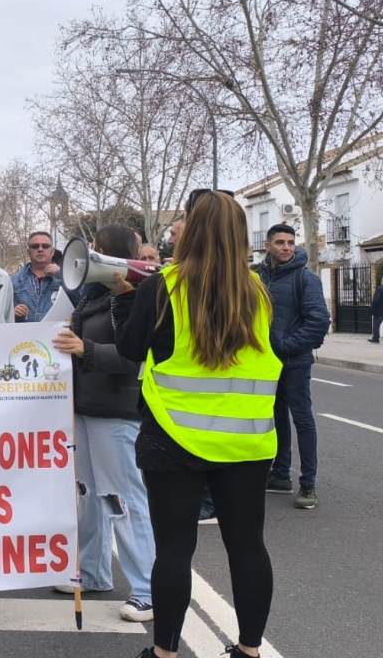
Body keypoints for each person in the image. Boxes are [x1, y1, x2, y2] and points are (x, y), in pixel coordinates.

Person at [115, 190, 282, 658]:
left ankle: (165, 652)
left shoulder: (164, 285)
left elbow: (131, 350)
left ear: (193, 229)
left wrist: (124, 300)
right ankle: (249, 650)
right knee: (248, 546)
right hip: (246, 443)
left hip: (172, 437)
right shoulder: (258, 293)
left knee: (174, 550)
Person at [50, 225, 154, 623]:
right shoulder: (94, 299)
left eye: (97, 251)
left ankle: (146, 588)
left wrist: (85, 348)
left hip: (116, 413)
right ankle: (92, 572)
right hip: (87, 409)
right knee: (90, 497)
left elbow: (134, 358)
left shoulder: (134, 298)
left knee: (123, 501)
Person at [256, 223, 329, 509]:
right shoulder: (258, 277)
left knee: (302, 419)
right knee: (276, 417)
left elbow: (319, 322)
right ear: (268, 246)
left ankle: (308, 484)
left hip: (295, 362)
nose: (286, 247)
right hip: (267, 364)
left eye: (290, 242)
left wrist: (285, 346)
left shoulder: (305, 278)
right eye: (280, 243)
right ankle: (280, 474)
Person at [11, 231, 63, 323]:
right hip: (23, 336)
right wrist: (13, 312)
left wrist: (60, 274)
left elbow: (77, 303)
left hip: (56, 335)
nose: (40, 249)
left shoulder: (67, 280)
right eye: (35, 246)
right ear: (28, 252)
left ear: (52, 252)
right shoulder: (13, 281)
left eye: (45, 246)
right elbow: (3, 313)